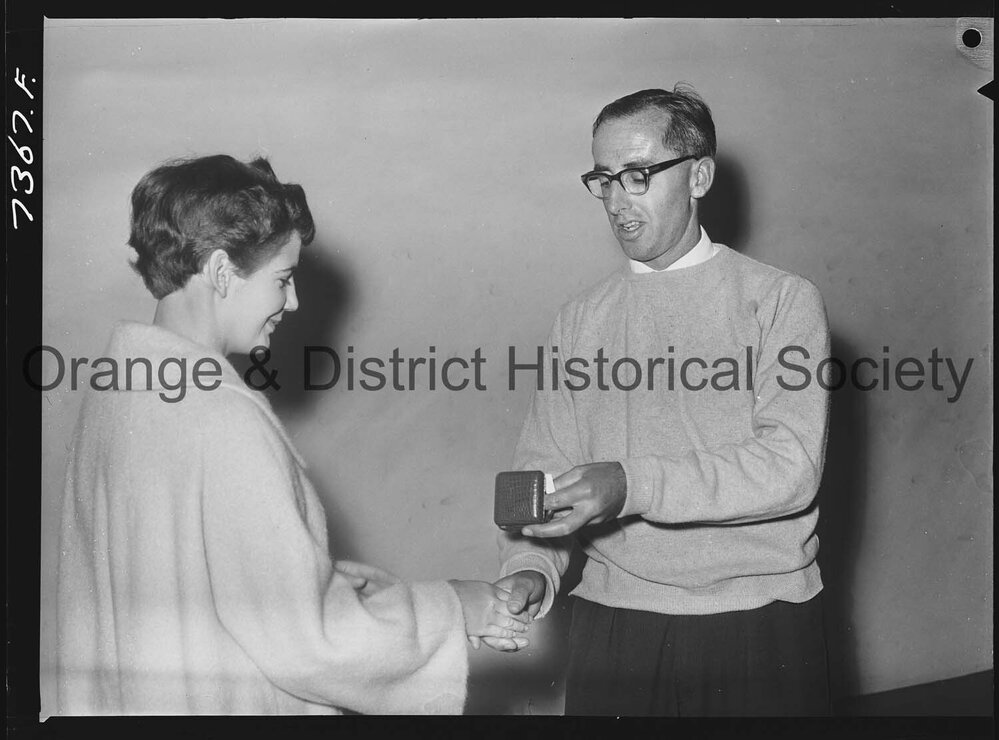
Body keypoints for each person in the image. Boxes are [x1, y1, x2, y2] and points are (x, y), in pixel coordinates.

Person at [55, 154, 528, 716]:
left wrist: (371, 595)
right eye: (283, 279)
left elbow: (226, 580)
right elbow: (308, 640)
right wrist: (452, 609)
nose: (293, 302)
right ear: (223, 272)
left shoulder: (118, 393)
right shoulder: (222, 419)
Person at [488, 85, 832, 716]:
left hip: (755, 618)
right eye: (603, 179)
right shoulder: (579, 321)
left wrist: (630, 484)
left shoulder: (780, 301)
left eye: (638, 176)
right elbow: (539, 473)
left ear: (698, 176)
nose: (617, 201)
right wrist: (531, 565)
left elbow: (790, 467)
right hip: (613, 620)